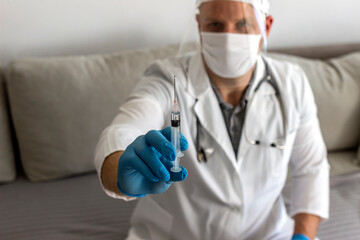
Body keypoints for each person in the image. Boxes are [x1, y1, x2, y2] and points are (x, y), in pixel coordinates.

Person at [95, 0, 330, 239]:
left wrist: (303, 235)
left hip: (266, 234)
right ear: (199, 26)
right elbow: (124, 129)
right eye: (215, 24)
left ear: (266, 27)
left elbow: (311, 168)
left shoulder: (292, 83)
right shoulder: (167, 79)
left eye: (242, 24)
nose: (228, 38)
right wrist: (119, 170)